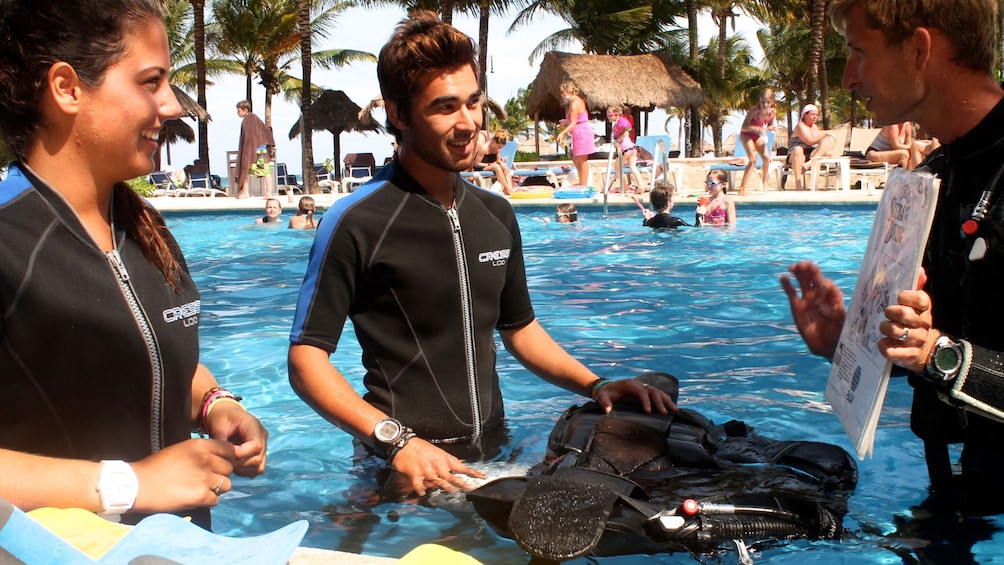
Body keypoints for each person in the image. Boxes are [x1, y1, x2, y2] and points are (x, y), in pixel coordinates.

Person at [287, 10, 674, 501]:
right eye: (444, 107)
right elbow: (306, 358)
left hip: (496, 448)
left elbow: (520, 329)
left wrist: (596, 385)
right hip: (403, 466)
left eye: (473, 103)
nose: (468, 123)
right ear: (399, 115)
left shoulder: (495, 213)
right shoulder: (357, 221)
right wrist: (395, 442)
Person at [0, 0, 268, 528]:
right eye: (151, 82)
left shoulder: (145, 228)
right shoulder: (8, 241)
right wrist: (130, 484)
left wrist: (215, 404)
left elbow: (151, 351)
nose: (171, 106)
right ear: (66, 88)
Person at [780, 0, 1004, 518]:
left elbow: (944, 352)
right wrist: (852, 344)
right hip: (959, 492)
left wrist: (939, 356)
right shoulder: (933, 177)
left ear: (921, 50)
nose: (849, 78)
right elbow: (949, 332)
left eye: (858, 52)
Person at [556, 80, 595, 189]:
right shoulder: (573, 103)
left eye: (562, 92)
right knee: (576, 159)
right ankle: (582, 182)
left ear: (567, 91)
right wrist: (565, 122)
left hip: (582, 132)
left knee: (582, 160)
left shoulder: (575, 103)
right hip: (578, 132)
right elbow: (574, 120)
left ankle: (584, 185)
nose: (562, 95)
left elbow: (574, 123)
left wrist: (562, 133)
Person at [787, 104, 837, 191]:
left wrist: (826, 142)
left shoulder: (814, 127)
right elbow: (810, 141)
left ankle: (809, 163)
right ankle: (798, 183)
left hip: (810, 155)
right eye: (812, 114)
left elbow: (818, 142)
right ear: (805, 115)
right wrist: (825, 133)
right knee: (798, 149)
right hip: (796, 155)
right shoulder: (800, 126)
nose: (815, 117)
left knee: (829, 140)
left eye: (816, 115)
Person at [737, 87, 776, 195]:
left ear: (772, 102)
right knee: (753, 159)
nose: (765, 105)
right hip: (747, 135)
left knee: (767, 158)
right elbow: (744, 127)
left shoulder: (772, 112)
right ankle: (742, 189)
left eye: (768, 102)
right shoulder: (754, 111)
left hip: (758, 136)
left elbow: (771, 124)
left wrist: (771, 127)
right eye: (763, 102)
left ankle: (764, 183)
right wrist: (757, 129)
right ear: (759, 100)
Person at [234, 100, 275, 199]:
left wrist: (252, 148)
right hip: (258, 150)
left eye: (238, 111)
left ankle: (266, 193)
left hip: (257, 151)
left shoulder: (250, 119)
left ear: (245, 110)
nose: (237, 113)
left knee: (262, 171)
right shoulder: (253, 118)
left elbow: (251, 137)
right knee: (247, 170)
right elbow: (266, 131)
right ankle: (246, 192)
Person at [607, 104, 643, 193]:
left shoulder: (621, 123)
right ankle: (641, 186)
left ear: (618, 114)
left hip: (625, 149)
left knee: (617, 168)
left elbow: (626, 133)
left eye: (610, 115)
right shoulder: (619, 124)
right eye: (608, 115)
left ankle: (624, 187)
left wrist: (616, 141)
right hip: (632, 148)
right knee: (632, 167)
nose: (608, 117)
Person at [471, 129, 512, 195]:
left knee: (504, 165)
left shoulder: (497, 149)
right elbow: (476, 163)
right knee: (496, 167)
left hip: (492, 166)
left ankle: (509, 187)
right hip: (481, 167)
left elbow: (497, 161)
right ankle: (506, 188)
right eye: (498, 147)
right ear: (493, 141)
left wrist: (501, 161)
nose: (499, 149)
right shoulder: (484, 148)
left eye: (501, 148)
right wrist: (489, 164)